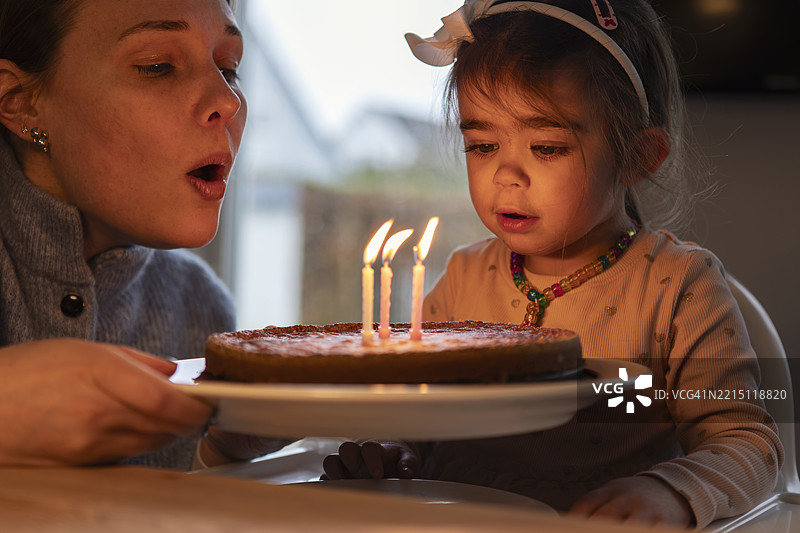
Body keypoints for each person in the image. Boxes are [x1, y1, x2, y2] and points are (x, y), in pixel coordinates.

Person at [321, 0, 783, 528]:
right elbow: (421, 419)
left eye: (546, 147)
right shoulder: (461, 281)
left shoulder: (677, 289)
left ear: (637, 154)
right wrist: (392, 448)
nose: (506, 175)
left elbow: (748, 444)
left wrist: (672, 491)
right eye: (482, 144)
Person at [0, 0, 286, 469]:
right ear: (20, 102)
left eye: (229, 68)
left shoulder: (201, 309)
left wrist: (214, 457)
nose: (228, 101)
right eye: (159, 67)